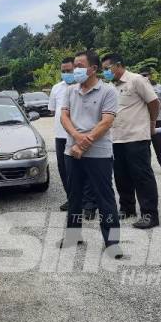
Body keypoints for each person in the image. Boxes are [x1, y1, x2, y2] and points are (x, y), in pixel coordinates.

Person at [59, 50, 121, 258]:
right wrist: (77, 138)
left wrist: (83, 144)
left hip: (99, 154)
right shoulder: (70, 91)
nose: (75, 70)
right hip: (72, 151)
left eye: (79, 66)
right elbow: (64, 117)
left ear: (93, 69)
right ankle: (73, 235)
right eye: (74, 66)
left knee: (105, 198)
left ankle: (112, 243)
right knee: (74, 195)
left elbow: (106, 122)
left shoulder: (108, 91)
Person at [101, 54, 161, 229]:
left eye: (107, 68)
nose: (105, 72)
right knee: (121, 175)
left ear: (118, 65)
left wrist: (151, 123)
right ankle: (127, 208)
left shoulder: (136, 80)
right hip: (116, 138)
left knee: (142, 176)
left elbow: (153, 102)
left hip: (136, 136)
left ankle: (150, 214)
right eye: (103, 69)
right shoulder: (109, 86)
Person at [48, 56, 97, 219]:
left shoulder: (83, 87)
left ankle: (89, 204)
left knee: (88, 170)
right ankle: (72, 198)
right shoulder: (56, 88)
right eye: (63, 71)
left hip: (81, 136)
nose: (67, 73)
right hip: (61, 136)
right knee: (65, 171)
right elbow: (53, 110)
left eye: (69, 70)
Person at [139, 68, 161, 176]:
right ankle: (145, 167)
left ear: (151, 75)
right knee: (143, 146)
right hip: (142, 121)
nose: (145, 77)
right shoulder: (136, 87)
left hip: (158, 121)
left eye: (146, 75)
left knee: (160, 145)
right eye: (142, 75)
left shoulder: (160, 87)